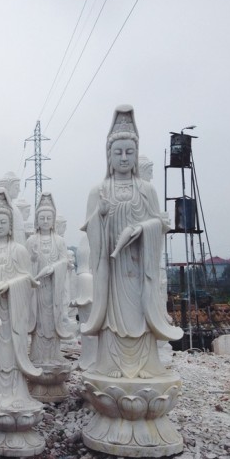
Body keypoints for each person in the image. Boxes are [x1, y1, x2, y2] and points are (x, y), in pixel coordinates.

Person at [81, 105, 182, 379]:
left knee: (140, 313)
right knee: (114, 318)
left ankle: (145, 365)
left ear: (136, 154)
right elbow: (91, 233)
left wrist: (144, 228)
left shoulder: (146, 190)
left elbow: (159, 224)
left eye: (129, 152)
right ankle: (111, 364)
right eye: (118, 152)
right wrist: (101, 215)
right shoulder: (99, 191)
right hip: (112, 272)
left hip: (139, 267)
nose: (124, 158)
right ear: (109, 156)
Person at [0, 190, 41, 407]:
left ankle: (16, 391)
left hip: (14, 311)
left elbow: (28, 280)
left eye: (3, 222)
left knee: (13, 349)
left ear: (11, 225)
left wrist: (9, 285)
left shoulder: (19, 250)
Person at [27, 192, 73, 364]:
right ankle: (37, 354)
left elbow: (64, 261)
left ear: (53, 220)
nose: (45, 221)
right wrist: (33, 260)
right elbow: (25, 265)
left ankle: (54, 354)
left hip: (54, 289)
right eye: (42, 218)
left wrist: (54, 268)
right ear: (36, 220)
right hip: (37, 290)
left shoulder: (59, 241)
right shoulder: (31, 241)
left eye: (48, 218)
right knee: (39, 322)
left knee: (53, 320)